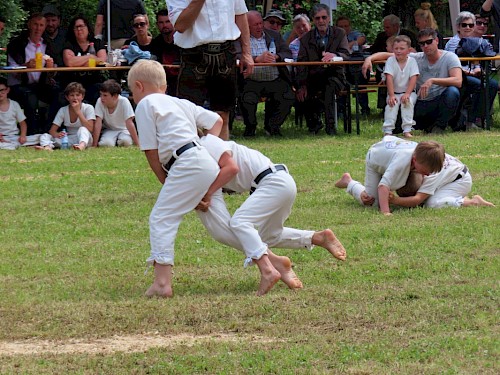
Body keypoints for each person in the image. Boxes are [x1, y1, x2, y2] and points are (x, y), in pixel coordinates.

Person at [128, 60, 279, 298]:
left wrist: (166, 181)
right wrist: (206, 147)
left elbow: (151, 151)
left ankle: (162, 283)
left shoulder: (145, 103)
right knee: (220, 227)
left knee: (162, 217)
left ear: (138, 86)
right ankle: (270, 264)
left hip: (185, 163)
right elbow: (216, 121)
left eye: (132, 92)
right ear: (164, 86)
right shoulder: (180, 103)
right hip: (205, 162)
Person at [195, 134, 346, 289]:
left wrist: (207, 193)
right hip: (280, 182)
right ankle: (317, 238)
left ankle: (268, 270)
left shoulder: (207, 142)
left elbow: (232, 168)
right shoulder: (204, 151)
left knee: (239, 223)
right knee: (267, 236)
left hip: (273, 182)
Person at [167, 0, 254, 141]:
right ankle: (194, 158)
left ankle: (220, 159)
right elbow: (181, 25)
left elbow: (240, 14)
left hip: (225, 53)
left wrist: (247, 53)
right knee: (189, 116)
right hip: (193, 55)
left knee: (223, 115)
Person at [363, 28, 462, 134]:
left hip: (439, 100)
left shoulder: (450, 57)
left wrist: (432, 80)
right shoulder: (416, 57)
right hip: (418, 102)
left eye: (429, 42)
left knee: (453, 92)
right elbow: (388, 55)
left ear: (436, 40)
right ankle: (423, 125)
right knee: (397, 127)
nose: (426, 46)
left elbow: (458, 80)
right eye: (422, 44)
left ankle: (439, 126)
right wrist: (368, 59)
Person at [334, 137, 445, 215]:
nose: (428, 174)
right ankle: (349, 182)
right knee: (372, 201)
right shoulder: (401, 161)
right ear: (415, 160)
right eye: (426, 170)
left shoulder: (421, 153)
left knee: (414, 187)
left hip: (391, 153)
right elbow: (383, 186)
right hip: (376, 159)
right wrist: (385, 212)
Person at [237, 10, 294, 137]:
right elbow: (236, 56)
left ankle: (273, 127)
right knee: (247, 99)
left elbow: (287, 52)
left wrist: (277, 57)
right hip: (251, 80)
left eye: (260, 23)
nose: (259, 27)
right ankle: (250, 128)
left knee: (288, 96)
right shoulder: (239, 38)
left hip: (274, 78)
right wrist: (256, 59)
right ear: (247, 26)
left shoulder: (274, 35)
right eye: (255, 25)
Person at [295, 3, 349, 135]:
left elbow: (346, 55)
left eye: (324, 17)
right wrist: (302, 85)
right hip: (314, 75)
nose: (321, 21)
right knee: (304, 91)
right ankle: (314, 125)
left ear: (329, 18)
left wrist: (335, 56)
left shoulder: (339, 33)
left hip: (335, 75)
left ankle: (331, 127)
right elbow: (301, 63)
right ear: (313, 20)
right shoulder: (306, 39)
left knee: (329, 87)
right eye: (317, 18)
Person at [445, 12, 497, 131]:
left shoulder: (477, 41)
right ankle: (470, 120)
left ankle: (480, 119)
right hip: (456, 76)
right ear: (458, 27)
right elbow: (452, 65)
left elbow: (478, 62)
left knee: (492, 84)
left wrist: (478, 69)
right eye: (464, 25)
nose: (468, 28)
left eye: (471, 25)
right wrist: (470, 72)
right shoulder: (453, 42)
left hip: (471, 74)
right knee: (478, 85)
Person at [6, 13, 55, 135]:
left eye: (41, 25)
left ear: (44, 27)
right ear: (29, 25)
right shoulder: (17, 44)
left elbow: (54, 71)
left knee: (59, 94)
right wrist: (25, 66)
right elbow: (11, 69)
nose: (38, 28)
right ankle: (32, 133)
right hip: (20, 84)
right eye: (35, 24)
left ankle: (48, 130)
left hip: (41, 84)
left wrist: (50, 68)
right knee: (29, 97)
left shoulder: (47, 44)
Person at [389, 153, 495, 209]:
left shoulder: (430, 174)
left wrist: (394, 200)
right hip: (454, 175)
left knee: (432, 204)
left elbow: (417, 200)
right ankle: (457, 196)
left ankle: (472, 202)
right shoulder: (423, 159)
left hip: (460, 181)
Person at [369, 14, 417, 111]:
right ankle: (385, 106)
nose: (385, 30)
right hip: (383, 67)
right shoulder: (381, 36)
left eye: (387, 27)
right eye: (384, 27)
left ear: (396, 26)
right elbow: (373, 50)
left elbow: (415, 51)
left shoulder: (409, 35)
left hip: (406, 69)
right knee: (386, 75)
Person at [63, 15, 107, 106]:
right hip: (73, 84)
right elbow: (69, 62)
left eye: (81, 26)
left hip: (94, 83)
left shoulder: (97, 43)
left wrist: (78, 61)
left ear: (88, 27)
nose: (79, 29)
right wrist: (90, 57)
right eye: (76, 27)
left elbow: (102, 61)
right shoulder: (69, 44)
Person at [39, 82, 95, 150]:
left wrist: (78, 112)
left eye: (77, 95)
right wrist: (57, 134)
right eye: (72, 95)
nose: (75, 98)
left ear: (82, 96)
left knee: (82, 129)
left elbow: (90, 128)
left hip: (86, 138)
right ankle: (47, 147)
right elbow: (52, 131)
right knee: (45, 136)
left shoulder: (88, 108)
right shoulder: (63, 110)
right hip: (70, 138)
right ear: (67, 97)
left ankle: (81, 146)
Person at [382, 35, 419, 138]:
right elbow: (389, 77)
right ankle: (388, 130)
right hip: (394, 92)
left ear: (408, 50)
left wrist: (407, 94)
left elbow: (413, 78)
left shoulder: (412, 61)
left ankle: (407, 129)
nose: (398, 51)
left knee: (407, 103)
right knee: (391, 105)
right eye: (396, 48)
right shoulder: (390, 60)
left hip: (409, 92)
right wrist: (391, 95)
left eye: (402, 49)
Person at [335, 15, 371, 116]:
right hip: (342, 65)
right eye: (341, 26)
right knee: (340, 80)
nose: (344, 28)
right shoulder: (334, 36)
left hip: (356, 64)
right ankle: (341, 109)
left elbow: (362, 39)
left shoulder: (354, 34)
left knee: (360, 77)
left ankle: (364, 108)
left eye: (346, 26)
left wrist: (351, 43)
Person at [92, 79, 138, 147]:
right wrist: (94, 145)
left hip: (124, 129)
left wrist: (137, 143)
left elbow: (129, 122)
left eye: (105, 95)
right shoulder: (100, 101)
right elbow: (98, 123)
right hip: (109, 130)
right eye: (101, 94)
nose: (102, 98)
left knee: (126, 142)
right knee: (106, 144)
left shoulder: (124, 101)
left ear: (115, 96)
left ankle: (119, 141)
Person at [0, 78, 43, 150]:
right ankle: (28, 147)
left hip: (15, 137)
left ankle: (16, 146)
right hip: (2, 139)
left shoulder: (14, 104)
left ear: (7, 90)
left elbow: (22, 123)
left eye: (2, 90)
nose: (0, 93)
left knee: (43, 136)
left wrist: (23, 136)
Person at [149, 9, 180, 96]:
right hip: (163, 81)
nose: (165, 25)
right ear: (157, 25)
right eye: (161, 22)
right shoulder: (156, 42)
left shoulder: (183, 40)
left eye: (167, 22)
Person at [42, 4, 67, 69]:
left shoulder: (67, 36)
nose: (50, 24)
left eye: (53, 20)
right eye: (47, 20)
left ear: (59, 21)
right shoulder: (38, 37)